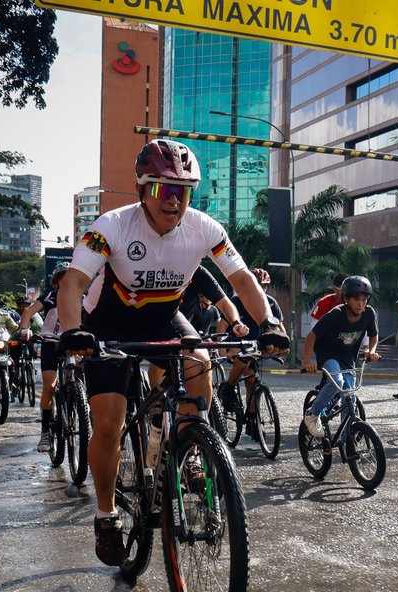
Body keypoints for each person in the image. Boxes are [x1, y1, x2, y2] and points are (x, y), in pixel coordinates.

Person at [57, 138, 287, 567]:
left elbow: (241, 281)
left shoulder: (205, 228)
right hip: (108, 325)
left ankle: (189, 447)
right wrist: (72, 331)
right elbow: (73, 282)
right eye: (164, 189)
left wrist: (269, 325)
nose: (174, 201)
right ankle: (106, 515)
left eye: (183, 191)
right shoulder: (112, 225)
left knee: (199, 362)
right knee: (108, 423)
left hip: (164, 317)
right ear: (143, 189)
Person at [301, 275, 379, 437]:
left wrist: (371, 350)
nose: (361, 303)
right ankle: (313, 414)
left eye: (364, 299)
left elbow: (373, 335)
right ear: (346, 299)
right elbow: (311, 336)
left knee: (350, 396)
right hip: (327, 352)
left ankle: (346, 440)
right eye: (356, 299)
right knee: (337, 382)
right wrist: (307, 361)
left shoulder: (369, 314)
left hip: (347, 356)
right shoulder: (335, 314)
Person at [217, 267, 285, 412]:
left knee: (251, 380)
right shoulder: (235, 301)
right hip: (236, 342)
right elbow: (221, 326)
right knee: (242, 363)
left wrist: (283, 344)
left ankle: (253, 420)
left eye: (264, 286)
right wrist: (222, 350)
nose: (261, 289)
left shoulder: (271, 303)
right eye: (257, 285)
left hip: (257, 344)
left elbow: (280, 329)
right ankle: (228, 389)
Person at [17, 266, 68, 452]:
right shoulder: (49, 297)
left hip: (72, 343)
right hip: (50, 342)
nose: (67, 281)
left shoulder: (82, 298)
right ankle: (45, 432)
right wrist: (24, 329)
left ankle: (81, 409)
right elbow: (28, 313)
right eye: (63, 278)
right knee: (49, 385)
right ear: (56, 282)